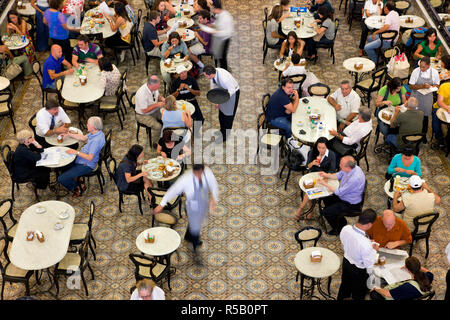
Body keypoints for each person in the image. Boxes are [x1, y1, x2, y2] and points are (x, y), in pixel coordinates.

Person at [153, 164, 219, 265]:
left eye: (200, 173)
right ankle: (195, 249)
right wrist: (161, 204)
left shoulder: (207, 172)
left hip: (202, 204)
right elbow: (173, 191)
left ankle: (188, 237)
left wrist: (213, 198)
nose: (199, 176)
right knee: (196, 228)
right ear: (193, 171)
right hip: (191, 207)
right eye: (196, 174)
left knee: (194, 224)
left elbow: (213, 185)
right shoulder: (186, 179)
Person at [317, 156, 366, 235]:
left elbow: (338, 192)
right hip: (345, 196)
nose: (339, 165)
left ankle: (338, 229)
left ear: (348, 167)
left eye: (341, 164)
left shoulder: (354, 179)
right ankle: (337, 217)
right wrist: (326, 175)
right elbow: (339, 175)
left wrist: (324, 184)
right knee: (325, 198)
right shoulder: (353, 168)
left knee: (326, 212)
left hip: (351, 204)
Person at [57, 116, 105, 197]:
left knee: (61, 179)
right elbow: (83, 138)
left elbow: (90, 157)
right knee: (62, 165)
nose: (86, 125)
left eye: (88, 124)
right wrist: (68, 134)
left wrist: (76, 152)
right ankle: (76, 178)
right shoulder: (96, 132)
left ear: (92, 127)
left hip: (86, 165)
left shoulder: (96, 141)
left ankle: (78, 187)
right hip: (81, 158)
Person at [338, 208, 378, 300]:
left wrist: (367, 242)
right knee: (358, 292)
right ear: (369, 224)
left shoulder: (346, 228)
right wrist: (374, 251)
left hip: (346, 262)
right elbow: (369, 265)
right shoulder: (366, 244)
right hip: (359, 271)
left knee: (345, 285)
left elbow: (344, 243)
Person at [294, 137, 336, 220]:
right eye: (319, 147)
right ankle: (309, 209)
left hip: (324, 176)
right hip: (313, 174)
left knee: (309, 192)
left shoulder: (331, 155)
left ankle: (302, 209)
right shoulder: (312, 152)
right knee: (308, 190)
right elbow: (307, 167)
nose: (320, 150)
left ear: (327, 147)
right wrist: (312, 163)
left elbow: (332, 170)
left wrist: (326, 176)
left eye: (323, 148)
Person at [203, 65, 240, 143]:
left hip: (232, 93)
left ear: (210, 74)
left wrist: (222, 100)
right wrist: (216, 101)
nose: (205, 77)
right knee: (221, 114)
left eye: (206, 75)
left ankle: (225, 135)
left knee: (228, 116)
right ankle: (222, 130)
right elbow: (212, 87)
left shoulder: (224, 79)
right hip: (223, 92)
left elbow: (232, 90)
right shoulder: (213, 74)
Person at [409, 57, 440, 140]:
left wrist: (433, 86)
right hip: (416, 95)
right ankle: (413, 133)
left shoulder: (434, 72)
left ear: (429, 66)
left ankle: (423, 135)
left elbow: (437, 84)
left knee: (425, 117)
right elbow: (411, 86)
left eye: (423, 67)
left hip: (427, 97)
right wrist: (422, 86)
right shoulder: (416, 71)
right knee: (414, 115)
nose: (421, 68)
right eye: (420, 66)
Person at [199, 0, 234, 70]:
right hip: (219, 39)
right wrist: (211, 25)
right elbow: (217, 25)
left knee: (222, 58)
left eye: (212, 8)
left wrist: (208, 30)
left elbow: (223, 32)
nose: (211, 9)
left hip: (224, 40)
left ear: (215, 8)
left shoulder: (225, 17)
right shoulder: (218, 14)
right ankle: (219, 68)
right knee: (218, 56)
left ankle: (224, 71)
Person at [134, 75, 165, 148]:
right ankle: (156, 143)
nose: (159, 87)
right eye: (158, 86)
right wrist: (157, 105)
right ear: (151, 85)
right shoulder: (142, 93)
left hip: (153, 110)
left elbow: (157, 95)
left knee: (166, 118)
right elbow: (144, 110)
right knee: (158, 127)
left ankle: (165, 137)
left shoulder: (153, 88)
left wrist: (162, 98)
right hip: (142, 115)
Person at [432, 81, 450, 148]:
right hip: (439, 108)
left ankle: (448, 138)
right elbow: (439, 102)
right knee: (436, 124)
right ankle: (439, 138)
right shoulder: (444, 86)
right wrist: (447, 108)